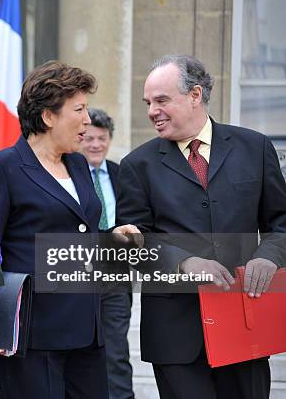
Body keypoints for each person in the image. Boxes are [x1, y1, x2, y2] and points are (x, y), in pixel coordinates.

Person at [117, 55, 286, 399]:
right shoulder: (137, 165)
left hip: (244, 323)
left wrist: (269, 256)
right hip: (176, 338)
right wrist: (183, 263)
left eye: (161, 100)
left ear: (195, 95)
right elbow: (130, 246)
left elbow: (280, 222)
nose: (152, 111)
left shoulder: (255, 148)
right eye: (148, 103)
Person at [0, 61, 140, 399]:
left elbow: (78, 234)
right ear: (48, 116)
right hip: (32, 336)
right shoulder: (3, 168)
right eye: (79, 109)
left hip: (87, 330)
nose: (87, 119)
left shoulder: (79, 164)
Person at [81, 108, 134, 399]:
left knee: (116, 350)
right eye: (89, 138)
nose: (96, 145)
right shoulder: (70, 172)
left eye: (102, 138)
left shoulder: (120, 173)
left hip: (116, 274)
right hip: (78, 274)